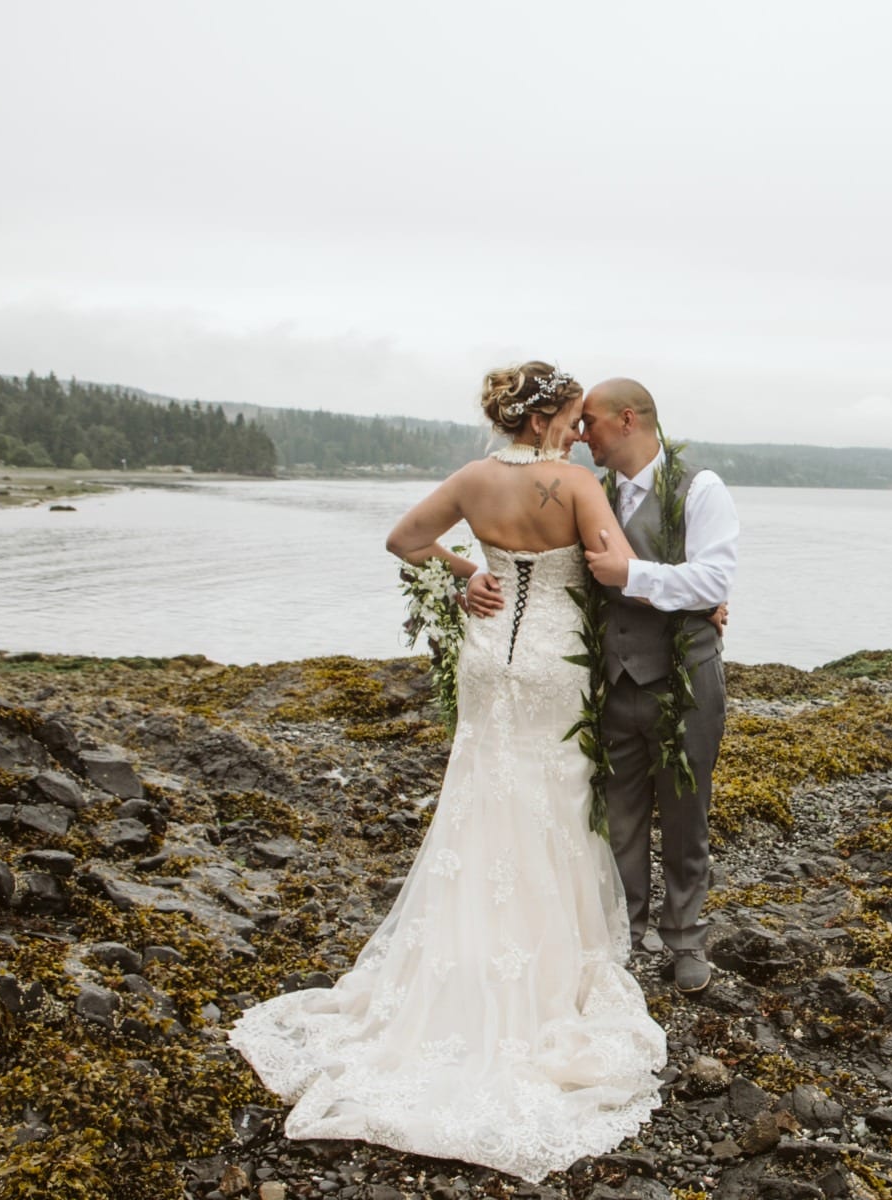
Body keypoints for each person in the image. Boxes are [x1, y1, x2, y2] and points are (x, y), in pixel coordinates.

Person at [229, 363, 666, 1180]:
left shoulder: (471, 478)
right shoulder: (574, 482)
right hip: (551, 662)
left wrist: (472, 575)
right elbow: (611, 566)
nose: (578, 431)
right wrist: (682, 592)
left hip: (486, 655)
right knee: (555, 798)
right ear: (542, 422)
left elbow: (404, 541)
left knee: (479, 796)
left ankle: (459, 955)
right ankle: (547, 965)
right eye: (571, 417)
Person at [467, 377, 737, 995]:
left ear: (626, 420)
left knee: (686, 811)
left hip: (685, 678)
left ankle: (685, 939)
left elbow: (715, 577)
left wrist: (635, 574)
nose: (580, 434)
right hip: (608, 681)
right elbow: (536, 557)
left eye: (589, 423)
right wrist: (473, 582)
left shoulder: (701, 489)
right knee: (617, 818)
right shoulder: (588, 490)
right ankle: (623, 932)